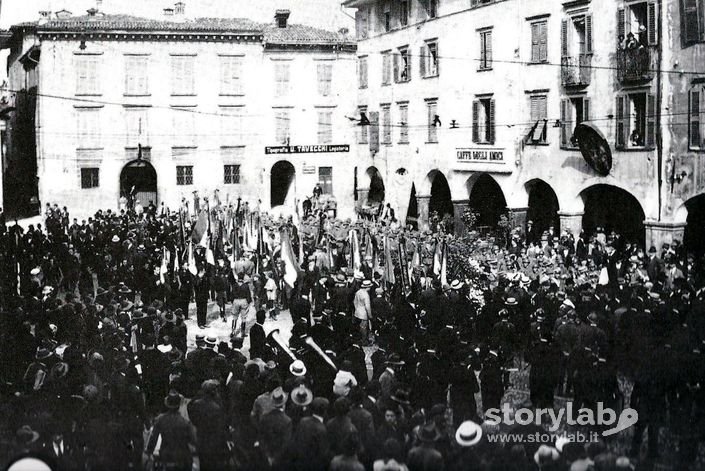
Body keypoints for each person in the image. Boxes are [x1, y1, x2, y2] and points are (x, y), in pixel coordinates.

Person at [146, 390, 196, 471]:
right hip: (182, 455)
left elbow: (153, 438)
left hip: (165, 453)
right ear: (179, 405)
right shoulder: (185, 422)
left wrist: (149, 451)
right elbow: (193, 440)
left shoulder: (160, 419)